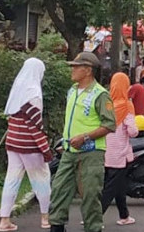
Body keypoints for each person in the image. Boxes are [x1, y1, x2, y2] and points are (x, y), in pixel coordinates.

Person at [49, 52, 116, 232]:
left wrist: (84, 137)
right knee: (58, 192)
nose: (72, 70)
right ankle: (56, 226)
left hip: (92, 153)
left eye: (76, 67)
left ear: (88, 70)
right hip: (69, 152)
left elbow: (110, 125)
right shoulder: (72, 91)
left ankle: (93, 228)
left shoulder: (100, 94)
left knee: (90, 197)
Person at [0, 58, 52, 232]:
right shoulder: (34, 93)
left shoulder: (17, 89)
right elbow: (34, 126)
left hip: (12, 143)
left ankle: (4, 220)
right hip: (29, 146)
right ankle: (45, 219)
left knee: (11, 180)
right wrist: (45, 149)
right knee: (41, 180)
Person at [101, 73, 138, 226]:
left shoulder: (107, 104)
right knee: (110, 188)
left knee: (119, 186)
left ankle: (124, 216)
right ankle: (94, 216)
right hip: (120, 154)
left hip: (105, 151)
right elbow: (132, 131)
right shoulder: (127, 105)